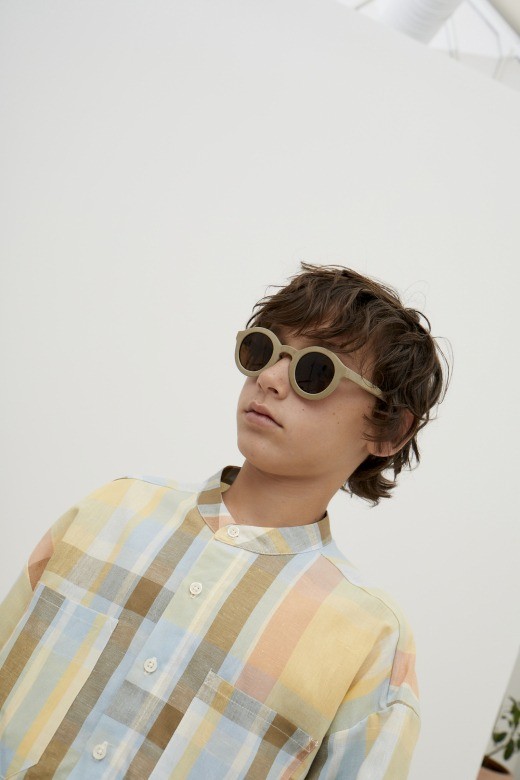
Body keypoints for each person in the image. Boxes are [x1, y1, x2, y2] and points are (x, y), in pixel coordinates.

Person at [0, 263, 450, 779]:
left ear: (388, 430)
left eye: (315, 371)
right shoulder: (112, 512)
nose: (269, 378)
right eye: (262, 350)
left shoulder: (371, 641)